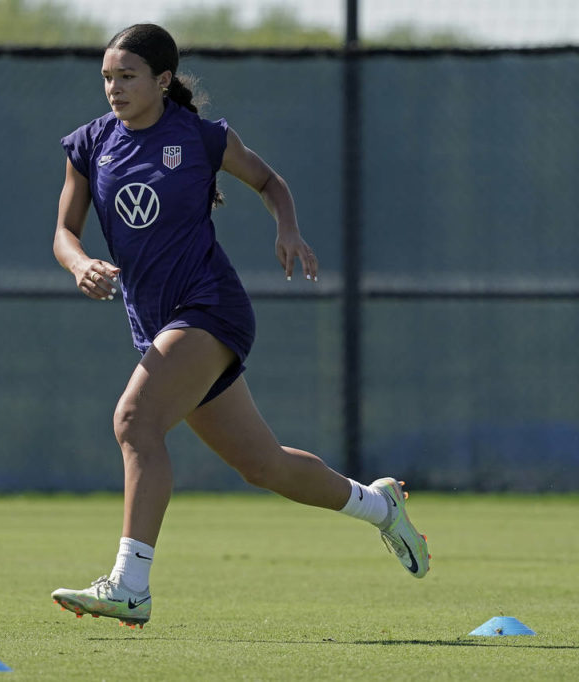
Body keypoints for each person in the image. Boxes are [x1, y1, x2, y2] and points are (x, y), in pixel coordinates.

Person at [50, 23, 430, 629]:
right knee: (264, 465)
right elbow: (64, 233)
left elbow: (269, 181)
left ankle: (130, 585)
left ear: (163, 80)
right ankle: (380, 507)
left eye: (127, 76)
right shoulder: (91, 144)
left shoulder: (200, 137)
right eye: (106, 77)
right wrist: (79, 264)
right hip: (156, 323)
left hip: (209, 308)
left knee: (134, 421)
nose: (113, 88)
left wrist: (288, 229)